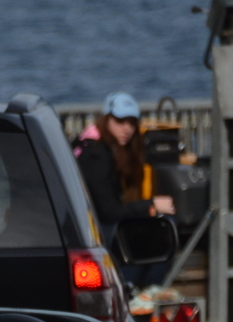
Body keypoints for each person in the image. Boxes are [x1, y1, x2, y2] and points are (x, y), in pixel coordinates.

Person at [74, 93, 174, 288]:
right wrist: (151, 204)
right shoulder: (96, 156)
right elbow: (108, 211)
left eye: (131, 122)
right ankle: (137, 290)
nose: (126, 128)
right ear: (106, 119)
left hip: (88, 225)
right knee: (163, 228)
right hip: (93, 232)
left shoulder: (89, 142)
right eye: (120, 121)